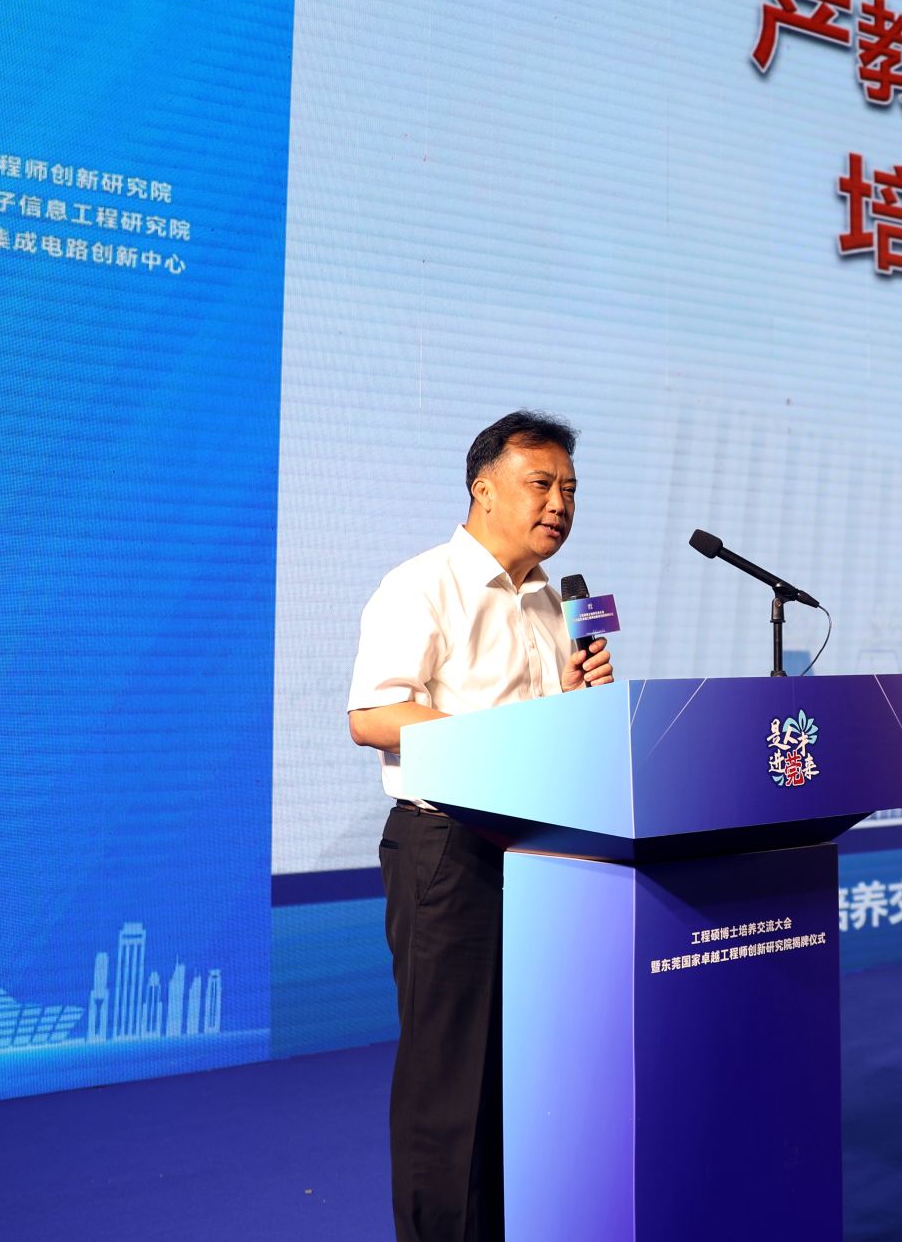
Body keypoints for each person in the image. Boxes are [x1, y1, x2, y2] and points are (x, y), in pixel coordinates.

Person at [346, 410, 613, 1242]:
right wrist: (492, 739)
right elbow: (371, 714)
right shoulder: (423, 584)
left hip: (540, 853)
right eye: (542, 483)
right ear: (484, 488)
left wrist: (581, 700)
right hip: (447, 850)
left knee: (519, 1073)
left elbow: (548, 733)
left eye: (570, 488)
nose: (559, 503)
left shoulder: (554, 603)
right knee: (448, 1080)